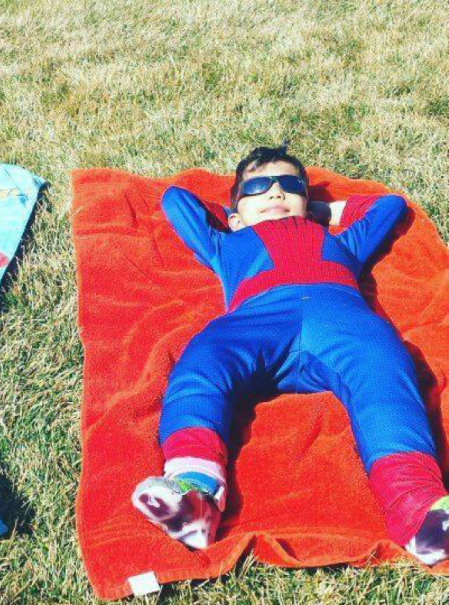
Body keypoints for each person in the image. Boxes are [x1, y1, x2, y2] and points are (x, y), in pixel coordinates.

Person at [132, 145, 449, 565]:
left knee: (385, 374)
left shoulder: (342, 242)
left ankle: (419, 510)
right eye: (259, 186)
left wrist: (319, 211)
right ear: (234, 214)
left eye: (290, 186)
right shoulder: (225, 244)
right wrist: (238, 217)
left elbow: (389, 207)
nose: (275, 193)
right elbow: (176, 201)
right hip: (257, 318)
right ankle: (195, 492)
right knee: (202, 361)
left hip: (342, 317)